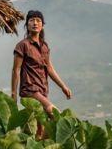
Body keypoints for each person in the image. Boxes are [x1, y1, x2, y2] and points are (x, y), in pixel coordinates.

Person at [11, 10, 72, 139]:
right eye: (32, 20)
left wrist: (63, 86)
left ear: (42, 25)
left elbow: (49, 68)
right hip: (30, 90)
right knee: (57, 116)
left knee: (41, 129)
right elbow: (16, 70)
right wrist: (13, 94)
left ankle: (39, 143)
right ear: (26, 25)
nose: (35, 23)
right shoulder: (22, 46)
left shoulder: (44, 46)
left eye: (38, 20)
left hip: (43, 90)